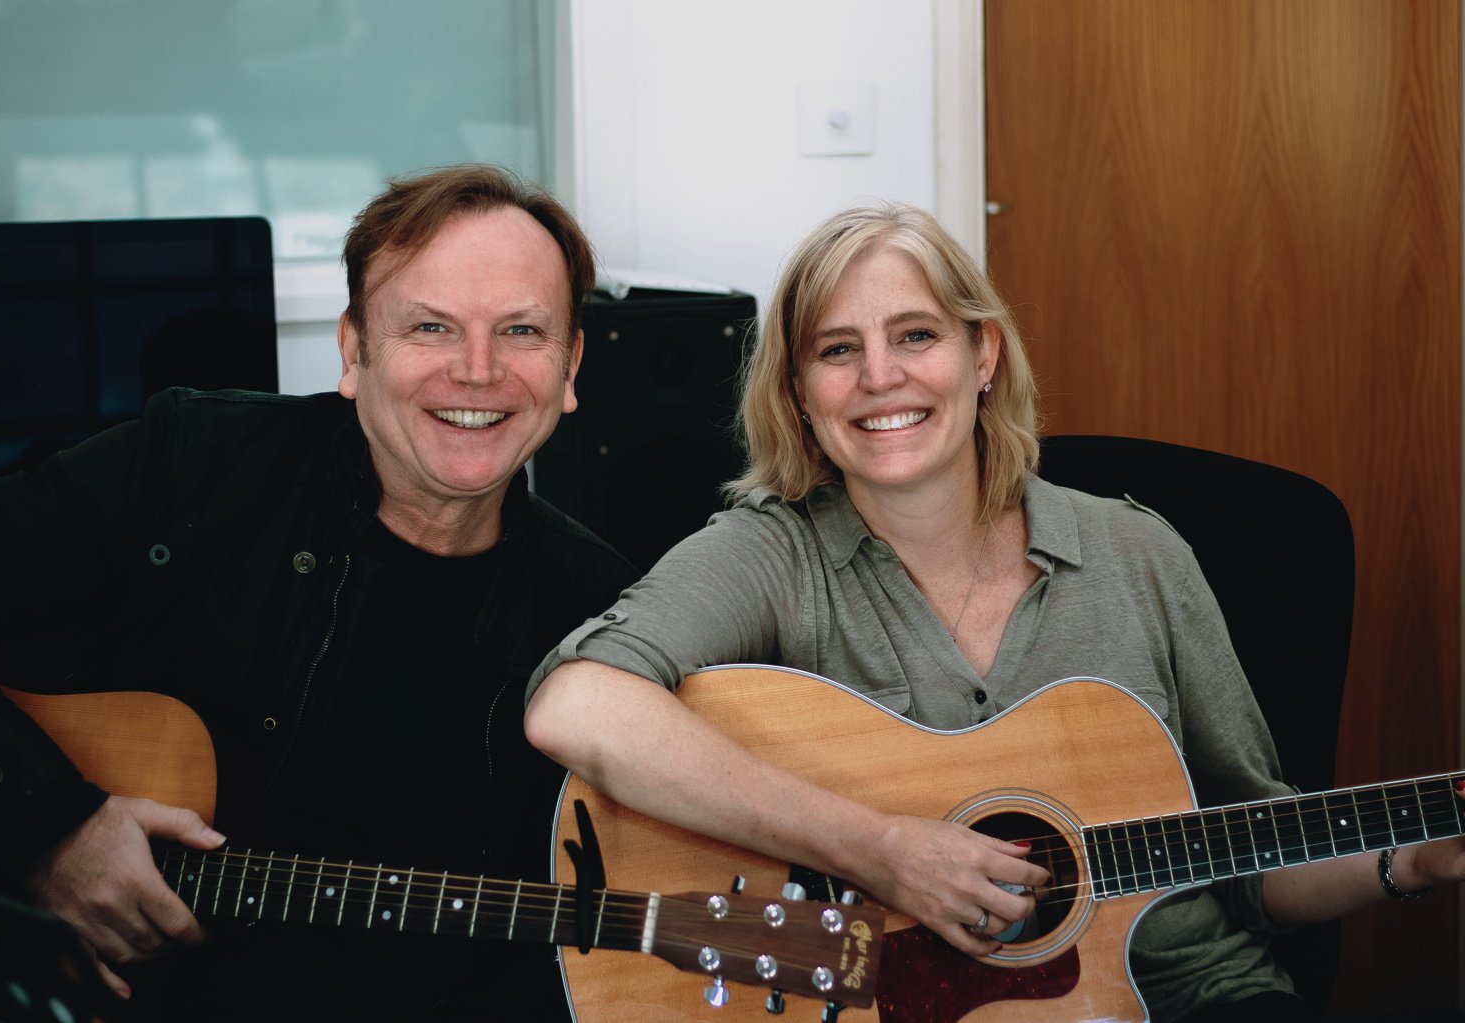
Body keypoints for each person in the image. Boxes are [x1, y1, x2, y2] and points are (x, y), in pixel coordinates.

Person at [523, 201, 1465, 1022]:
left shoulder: (1141, 554)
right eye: (838, 350)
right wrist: (882, 849)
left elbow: (1252, 856)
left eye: (917, 335)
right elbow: (576, 704)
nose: (881, 376)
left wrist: (1403, 864)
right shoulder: (771, 553)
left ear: (985, 354)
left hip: (1190, 994)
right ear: (800, 397)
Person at [0, 164, 636, 1021]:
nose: (477, 371)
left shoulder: (600, 610)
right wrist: (47, 822)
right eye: (430, 326)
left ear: (570, 366)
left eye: (520, 330)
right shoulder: (191, 466)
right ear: (353, 350)